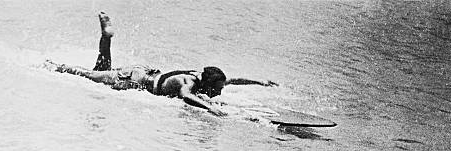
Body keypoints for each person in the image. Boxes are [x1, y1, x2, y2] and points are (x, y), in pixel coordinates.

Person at [43, 12, 278, 117]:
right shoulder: (188, 82)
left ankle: (106, 36)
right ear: (207, 83)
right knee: (90, 76)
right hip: (133, 80)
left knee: (101, 67)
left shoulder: (206, 77)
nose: (219, 91)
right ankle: (57, 66)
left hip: (142, 72)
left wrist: (260, 81)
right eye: (217, 88)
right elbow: (186, 96)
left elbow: (233, 80)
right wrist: (211, 108)